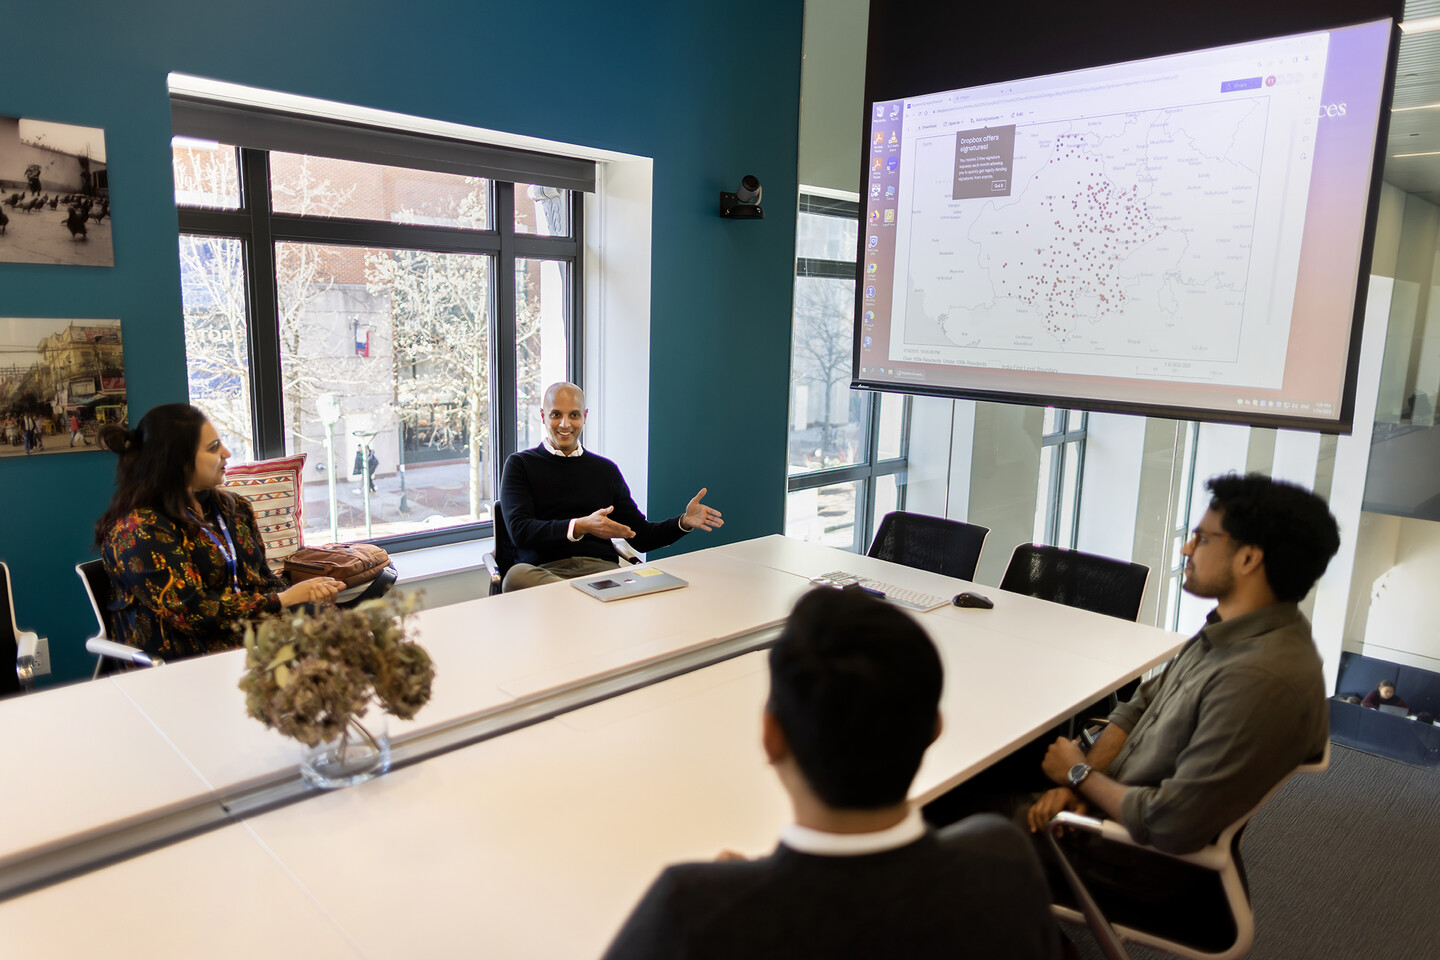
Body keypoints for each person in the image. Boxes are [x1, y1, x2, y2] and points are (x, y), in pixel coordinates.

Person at [601, 588, 1062, 960]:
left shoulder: (688, 909)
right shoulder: (1003, 859)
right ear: (934, 730)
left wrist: (730, 893)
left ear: (769, 736)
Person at [1019, 472, 1338, 881]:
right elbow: (1140, 706)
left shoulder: (1259, 679)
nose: (1188, 548)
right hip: (1109, 808)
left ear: (1248, 559)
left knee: (949, 814)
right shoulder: (1232, 626)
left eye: (1203, 539)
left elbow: (1168, 824)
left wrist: (1078, 774)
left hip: (1131, 859)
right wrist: (1081, 784)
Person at [95, 404, 345, 661]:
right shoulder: (139, 531)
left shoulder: (234, 509)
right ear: (177, 461)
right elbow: (193, 614)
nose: (226, 453)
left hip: (246, 638)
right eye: (213, 448)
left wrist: (307, 594)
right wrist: (284, 599)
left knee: (336, 624)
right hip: (184, 661)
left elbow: (262, 580)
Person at [498, 381, 724, 591]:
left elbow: (641, 537)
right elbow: (521, 532)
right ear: (543, 416)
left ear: (584, 417)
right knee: (516, 576)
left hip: (600, 574)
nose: (565, 424)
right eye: (556, 414)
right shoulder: (520, 465)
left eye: (574, 415)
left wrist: (683, 522)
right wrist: (581, 526)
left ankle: (578, 600)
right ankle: (583, 600)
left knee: (655, 583)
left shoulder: (605, 470)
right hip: (542, 573)